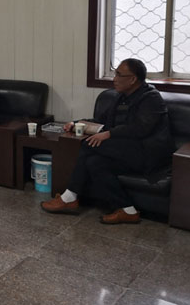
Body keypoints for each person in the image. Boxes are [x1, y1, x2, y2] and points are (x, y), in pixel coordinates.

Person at [41, 58, 173, 224]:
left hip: (148, 154)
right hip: (126, 151)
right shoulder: (120, 97)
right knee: (94, 163)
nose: (114, 79)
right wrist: (76, 123)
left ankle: (70, 197)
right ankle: (128, 210)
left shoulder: (151, 98)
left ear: (133, 79)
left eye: (119, 74)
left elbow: (141, 128)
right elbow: (100, 121)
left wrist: (108, 134)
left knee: (88, 144)